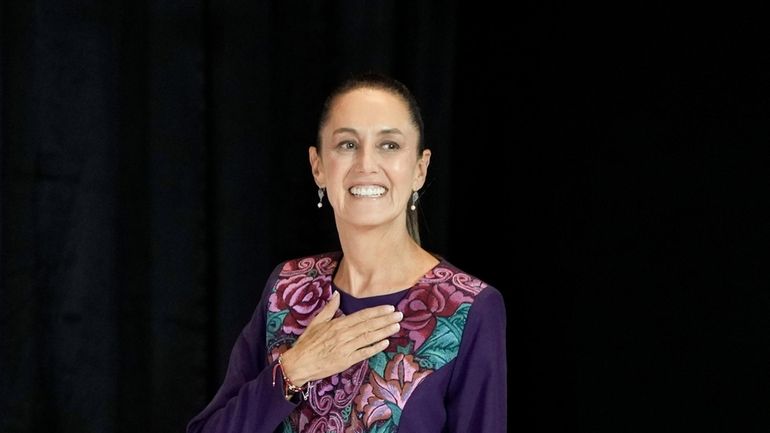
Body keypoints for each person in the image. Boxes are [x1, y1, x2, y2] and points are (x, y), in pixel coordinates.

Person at [186, 72, 507, 433]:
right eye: (347, 145)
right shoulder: (287, 290)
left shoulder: (468, 308)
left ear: (420, 169)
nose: (366, 164)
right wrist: (293, 370)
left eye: (389, 145)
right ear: (318, 166)